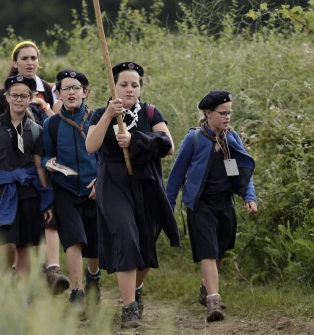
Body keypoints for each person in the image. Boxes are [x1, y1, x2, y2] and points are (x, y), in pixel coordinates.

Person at [85, 62, 180, 329]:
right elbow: (91, 146)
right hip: (113, 182)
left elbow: (169, 146)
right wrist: (107, 117)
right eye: (124, 84)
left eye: (134, 85)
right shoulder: (102, 113)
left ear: (141, 87)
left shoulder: (150, 112)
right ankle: (129, 309)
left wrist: (136, 139)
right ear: (113, 86)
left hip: (146, 182)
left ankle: (136, 290)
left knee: (146, 241)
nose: (129, 89)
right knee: (126, 236)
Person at [165, 91, 258, 322]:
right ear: (208, 113)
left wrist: (249, 196)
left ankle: (206, 287)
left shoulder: (231, 139)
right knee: (207, 250)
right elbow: (176, 175)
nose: (227, 117)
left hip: (224, 202)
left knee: (220, 251)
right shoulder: (194, 138)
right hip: (200, 204)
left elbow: (243, 171)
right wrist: (169, 205)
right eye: (223, 113)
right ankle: (213, 301)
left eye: (230, 113)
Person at [0, 40, 66, 291]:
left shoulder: (52, 89)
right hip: (19, 165)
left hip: (48, 158)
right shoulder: (4, 93)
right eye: (24, 59)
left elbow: (61, 123)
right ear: (15, 62)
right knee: (22, 220)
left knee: (50, 212)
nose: (30, 63)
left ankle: (53, 268)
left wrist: (43, 106)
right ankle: (17, 273)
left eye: (34, 58)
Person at [0, 75, 53, 279]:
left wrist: (47, 201)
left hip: (28, 191)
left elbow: (38, 166)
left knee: (26, 246)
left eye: (23, 96)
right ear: (7, 97)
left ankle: (21, 294)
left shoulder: (36, 129)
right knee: (6, 243)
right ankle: (6, 277)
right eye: (14, 95)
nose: (19, 100)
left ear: (30, 98)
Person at [42, 69, 101, 305]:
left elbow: (107, 156)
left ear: (85, 92)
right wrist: (50, 163)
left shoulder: (98, 118)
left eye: (76, 87)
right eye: (65, 88)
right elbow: (46, 155)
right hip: (65, 189)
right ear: (58, 93)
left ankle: (93, 278)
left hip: (94, 189)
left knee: (94, 243)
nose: (71, 92)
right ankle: (77, 291)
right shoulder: (51, 124)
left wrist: (101, 181)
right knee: (73, 238)